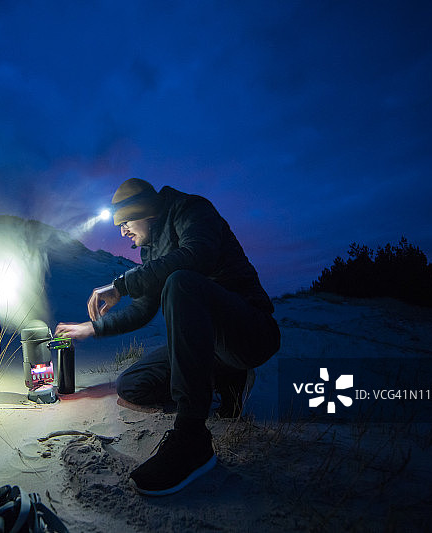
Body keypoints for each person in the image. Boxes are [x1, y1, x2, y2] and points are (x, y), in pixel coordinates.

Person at [55, 178, 280, 497]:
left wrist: (122, 284)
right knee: (132, 386)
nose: (123, 232)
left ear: (144, 210)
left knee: (180, 283)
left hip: (249, 333)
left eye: (126, 222)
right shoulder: (153, 252)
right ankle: (226, 379)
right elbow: (143, 309)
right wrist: (92, 328)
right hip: (210, 347)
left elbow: (196, 256)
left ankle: (192, 439)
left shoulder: (192, 210)